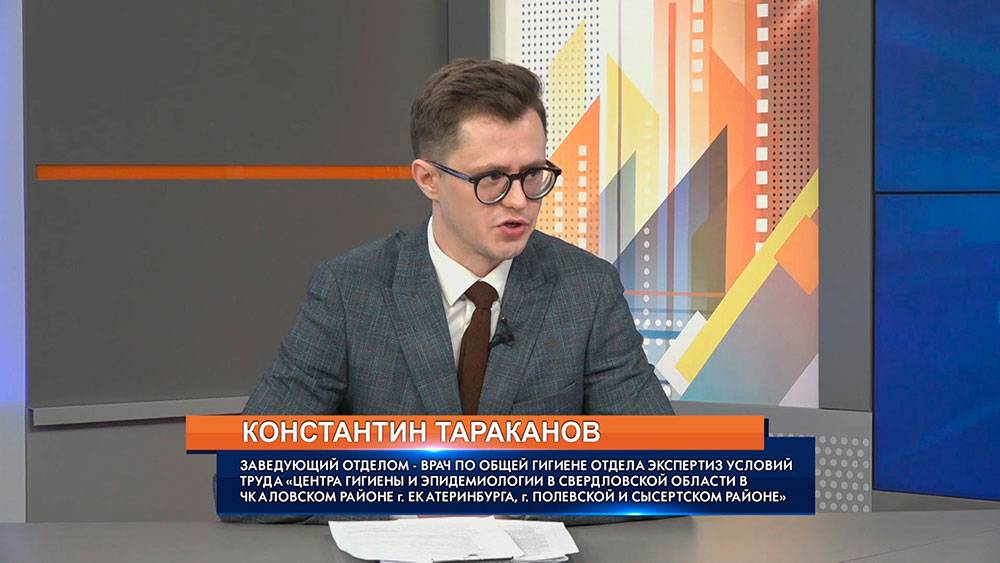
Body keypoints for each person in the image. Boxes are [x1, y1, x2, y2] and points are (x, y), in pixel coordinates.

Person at [242, 57, 672, 418]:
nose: (519, 200)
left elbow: (657, 466)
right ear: (428, 179)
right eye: (492, 178)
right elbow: (256, 467)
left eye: (532, 174)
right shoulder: (349, 291)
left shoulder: (587, 290)